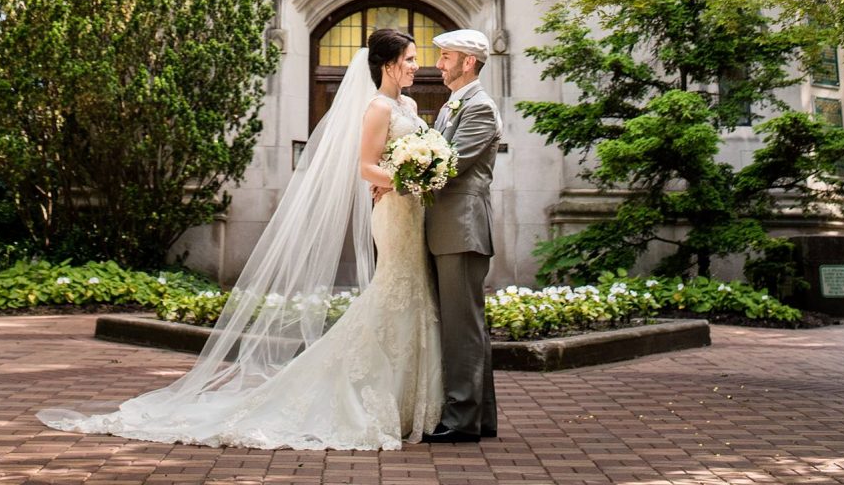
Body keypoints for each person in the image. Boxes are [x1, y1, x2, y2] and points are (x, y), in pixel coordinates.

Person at [37, 28, 443, 450]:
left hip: (412, 210)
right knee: (394, 290)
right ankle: (367, 391)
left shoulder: (409, 105)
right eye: (411, 58)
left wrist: (422, 175)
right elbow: (365, 167)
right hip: (394, 212)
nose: (417, 66)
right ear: (389, 63)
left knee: (414, 293)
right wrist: (412, 177)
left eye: (416, 59)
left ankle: (407, 397)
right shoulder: (377, 108)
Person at [423, 28, 501, 443]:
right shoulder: (454, 105)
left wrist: (397, 179)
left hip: (462, 227)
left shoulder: (481, 108)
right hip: (448, 227)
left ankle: (460, 420)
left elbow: (447, 165)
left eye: (446, 56)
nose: (439, 64)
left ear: (468, 62)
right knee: (466, 324)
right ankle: (479, 417)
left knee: (462, 328)